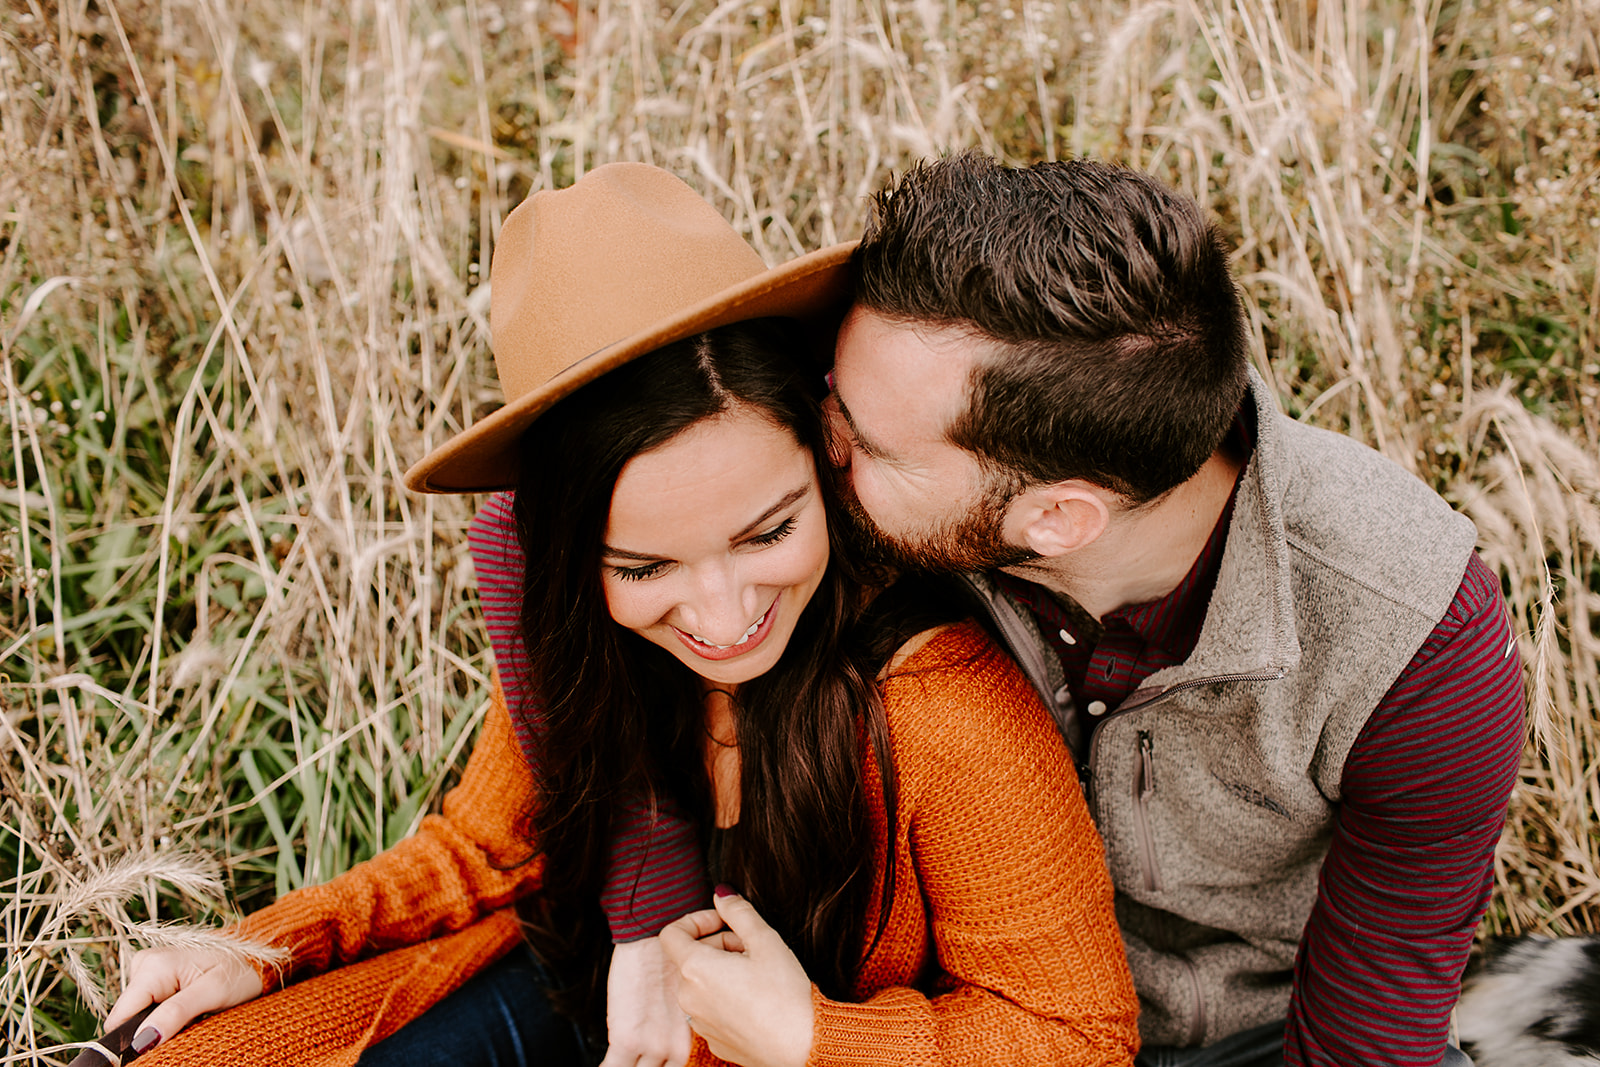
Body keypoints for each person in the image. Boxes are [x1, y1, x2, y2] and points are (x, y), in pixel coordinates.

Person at [100, 162, 1140, 1067]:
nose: (724, 613)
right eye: (644, 563)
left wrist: (815, 1038)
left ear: (826, 454)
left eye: (768, 532)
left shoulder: (945, 709)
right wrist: (265, 947)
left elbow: (1072, 1033)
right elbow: (482, 852)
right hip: (565, 991)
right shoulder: (592, 636)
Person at [570, 155, 1528, 1067]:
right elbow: (548, 512)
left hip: (1263, 1037)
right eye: (830, 394)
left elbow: (1367, 1033)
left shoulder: (1411, 643)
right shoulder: (915, 431)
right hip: (965, 1017)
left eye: (864, 440)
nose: (822, 445)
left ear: (1053, 519)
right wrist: (649, 914)